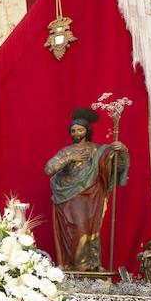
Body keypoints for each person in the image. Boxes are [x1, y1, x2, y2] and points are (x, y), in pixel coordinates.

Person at [45, 108, 129, 271]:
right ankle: (77, 267)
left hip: (93, 195)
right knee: (77, 230)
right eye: (73, 130)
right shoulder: (66, 151)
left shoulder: (99, 150)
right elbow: (49, 169)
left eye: (80, 130)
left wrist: (122, 151)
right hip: (70, 198)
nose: (76, 133)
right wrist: (69, 158)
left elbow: (116, 167)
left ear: (87, 131)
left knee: (91, 231)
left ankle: (92, 265)